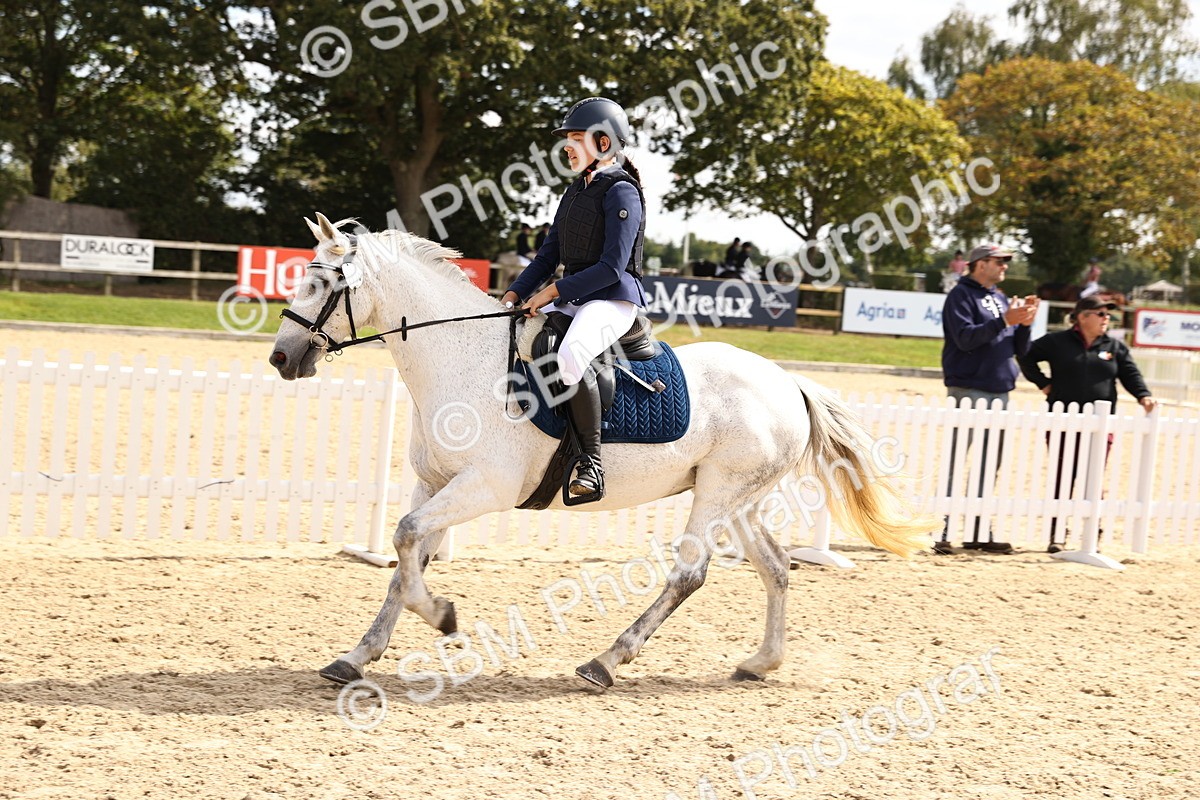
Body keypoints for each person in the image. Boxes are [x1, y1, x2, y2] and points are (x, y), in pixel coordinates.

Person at [500, 97, 647, 501]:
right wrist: (513, 294)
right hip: (575, 297)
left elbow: (612, 268)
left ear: (604, 142)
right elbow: (547, 257)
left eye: (576, 138)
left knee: (570, 355)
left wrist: (552, 291)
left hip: (611, 300)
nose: (567, 146)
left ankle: (591, 463)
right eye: (567, 138)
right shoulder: (575, 191)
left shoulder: (622, 192)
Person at [1017, 295, 1157, 552]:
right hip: (1063, 421)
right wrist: (1043, 384)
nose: (1107, 318)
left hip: (1101, 424)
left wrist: (1143, 395)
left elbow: (1130, 373)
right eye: (1101, 314)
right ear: (1082, 317)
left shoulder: (1114, 346)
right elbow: (1025, 355)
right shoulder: (1057, 341)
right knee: (1063, 477)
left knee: (1093, 478)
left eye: (1108, 314)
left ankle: (1092, 533)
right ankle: (1057, 534)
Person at [937, 243, 1039, 554]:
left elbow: (1019, 348)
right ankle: (941, 530)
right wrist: (1005, 320)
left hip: (999, 389)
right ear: (981, 264)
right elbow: (965, 339)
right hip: (969, 387)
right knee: (957, 460)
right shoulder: (960, 295)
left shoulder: (999, 297)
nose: (1005, 266)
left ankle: (977, 530)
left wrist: (1024, 325)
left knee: (987, 463)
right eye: (1000, 261)